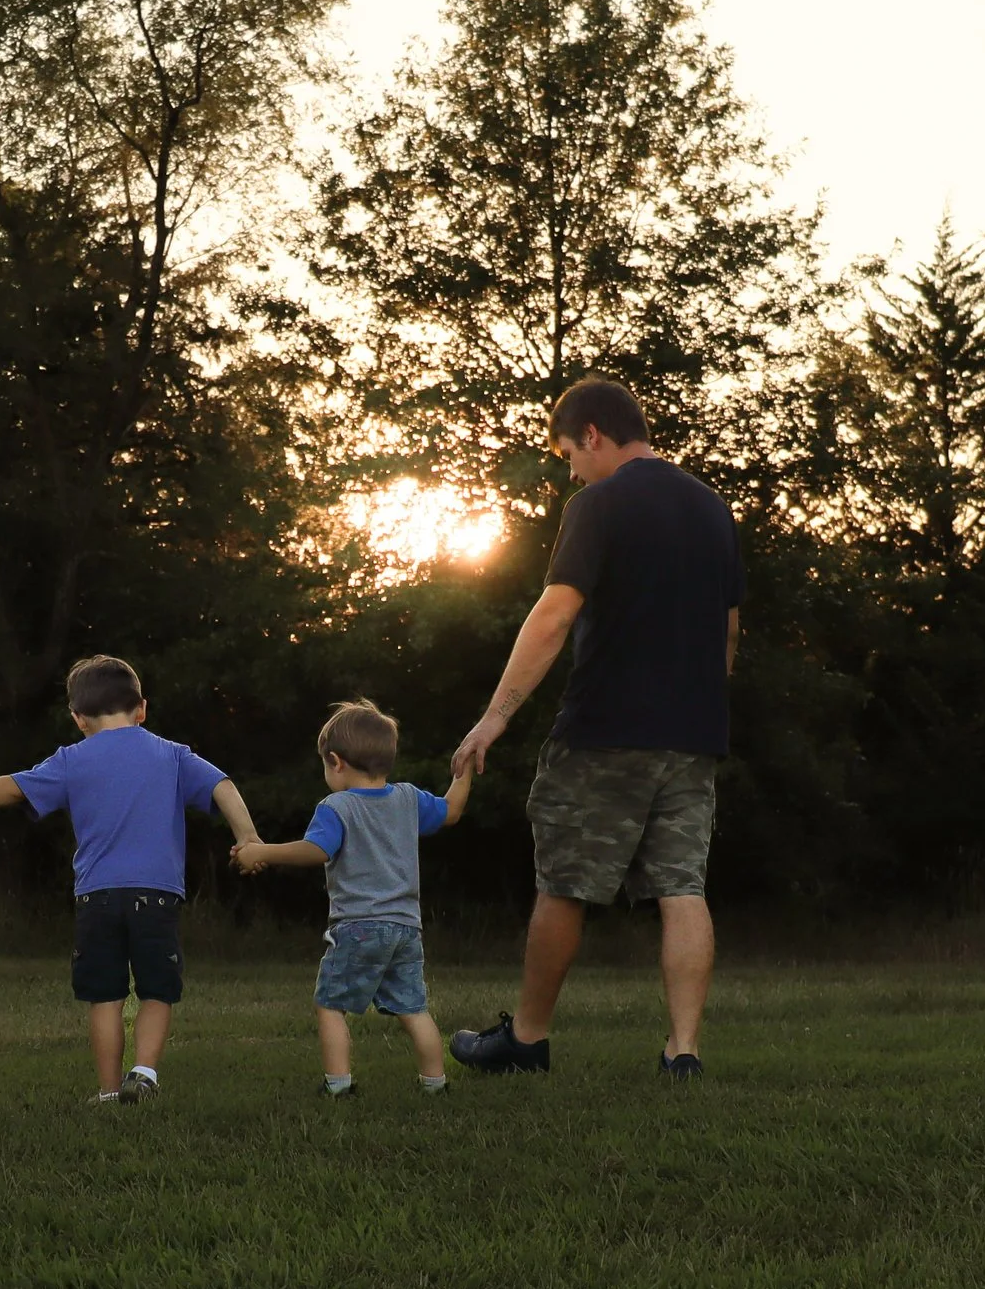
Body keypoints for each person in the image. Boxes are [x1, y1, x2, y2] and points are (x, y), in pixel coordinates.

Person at [445, 378, 742, 1080]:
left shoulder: (598, 504)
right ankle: (684, 1051)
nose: (569, 471)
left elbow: (552, 618)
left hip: (605, 732)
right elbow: (729, 631)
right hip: (694, 735)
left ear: (594, 436)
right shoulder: (712, 509)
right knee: (682, 886)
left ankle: (527, 1039)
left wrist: (495, 717)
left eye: (568, 455)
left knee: (564, 884)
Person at [0, 656, 263, 1105]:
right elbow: (223, 787)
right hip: (156, 896)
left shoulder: (71, 760)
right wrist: (248, 837)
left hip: (96, 897)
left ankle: (106, 1093)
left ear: (78, 718)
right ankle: (144, 1072)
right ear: (142, 709)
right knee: (158, 990)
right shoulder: (173, 755)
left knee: (105, 997)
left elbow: (10, 788)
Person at [233, 700, 471, 1099]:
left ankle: (338, 1086)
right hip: (406, 928)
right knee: (413, 1008)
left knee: (330, 1005)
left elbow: (316, 851)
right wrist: (464, 767)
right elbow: (452, 811)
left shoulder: (336, 807)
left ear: (336, 761)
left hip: (358, 926)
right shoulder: (409, 799)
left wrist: (263, 852)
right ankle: (435, 1083)